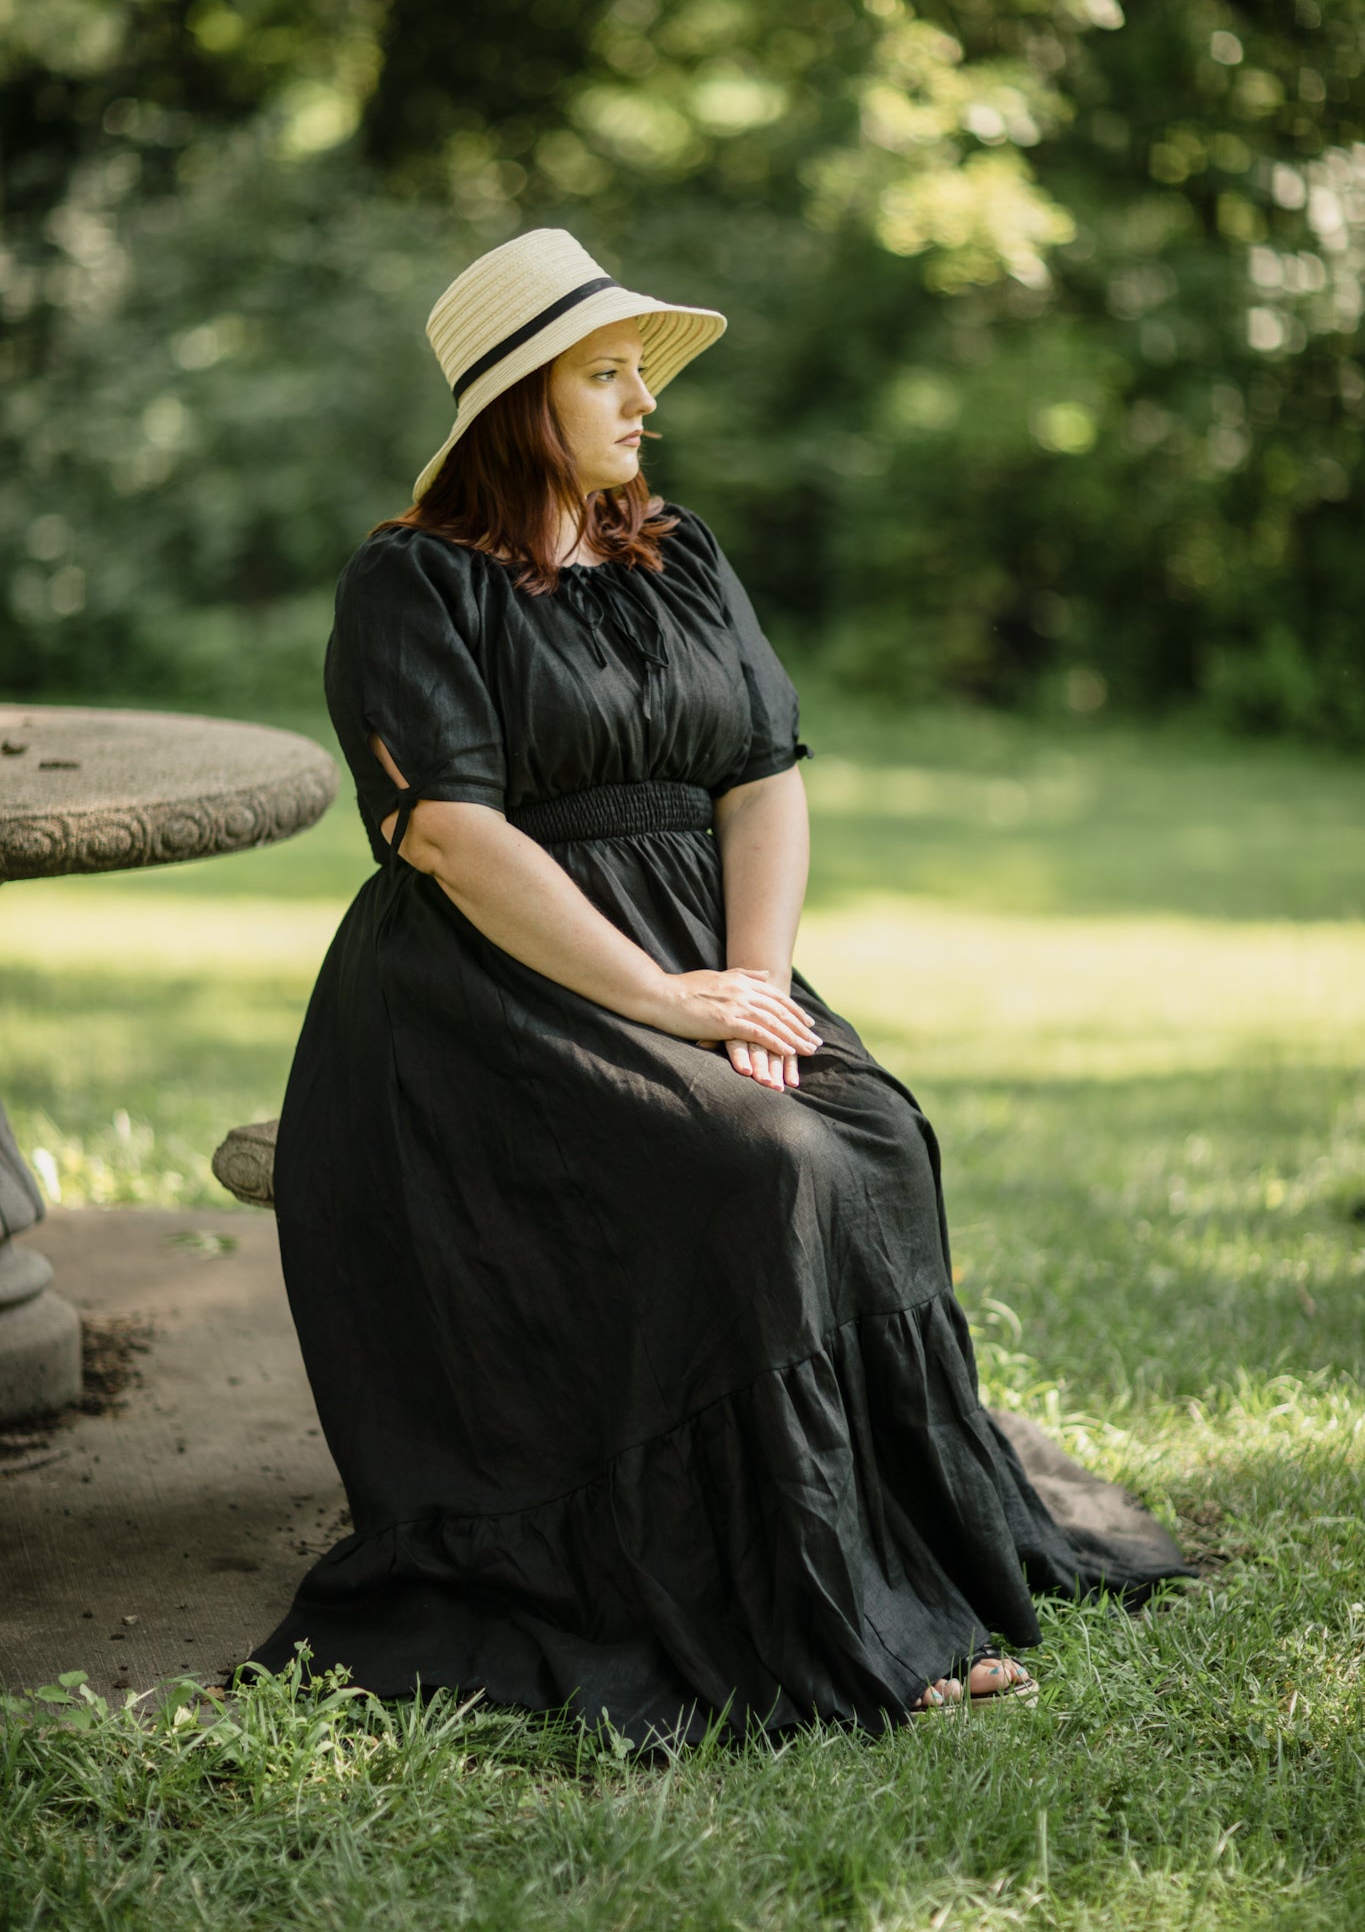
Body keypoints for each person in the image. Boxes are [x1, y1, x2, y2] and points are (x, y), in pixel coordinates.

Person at [248, 228, 1187, 1741]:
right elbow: (452, 835)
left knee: (866, 1137)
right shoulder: (410, 583)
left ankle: (901, 1566)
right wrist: (666, 1002)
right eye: (605, 375)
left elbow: (761, 776)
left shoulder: (675, 557)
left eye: (640, 375)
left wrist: (752, 982)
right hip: (494, 996)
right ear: (516, 405)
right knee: (748, 1171)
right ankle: (813, 1606)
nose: (642, 405)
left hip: (700, 950)